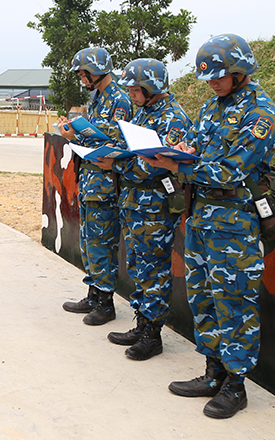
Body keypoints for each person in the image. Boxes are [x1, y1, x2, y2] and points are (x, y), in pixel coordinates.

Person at [143, 34, 275, 419]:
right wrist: (178, 151)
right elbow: (192, 146)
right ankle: (213, 372)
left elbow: (231, 171)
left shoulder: (261, 113)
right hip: (201, 218)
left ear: (240, 71)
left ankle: (236, 386)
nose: (213, 83)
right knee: (203, 298)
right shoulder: (210, 107)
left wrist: (178, 166)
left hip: (234, 225)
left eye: (220, 76)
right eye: (209, 78)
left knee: (234, 303)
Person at [96, 59, 191, 360]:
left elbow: (153, 166)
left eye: (136, 90)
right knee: (139, 266)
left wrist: (116, 165)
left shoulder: (173, 118)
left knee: (154, 270)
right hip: (135, 203)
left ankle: (153, 335)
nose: (132, 95)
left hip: (155, 206)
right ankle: (142, 324)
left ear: (153, 87)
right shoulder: (144, 113)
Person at [56, 47, 132, 325]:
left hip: (106, 183)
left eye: (83, 74)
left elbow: (119, 141)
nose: (81, 78)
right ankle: (94, 294)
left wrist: (81, 135)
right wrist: (73, 134)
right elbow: (95, 137)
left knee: (103, 243)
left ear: (97, 70)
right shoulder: (99, 98)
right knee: (89, 242)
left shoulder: (120, 100)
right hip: (90, 180)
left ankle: (105, 303)